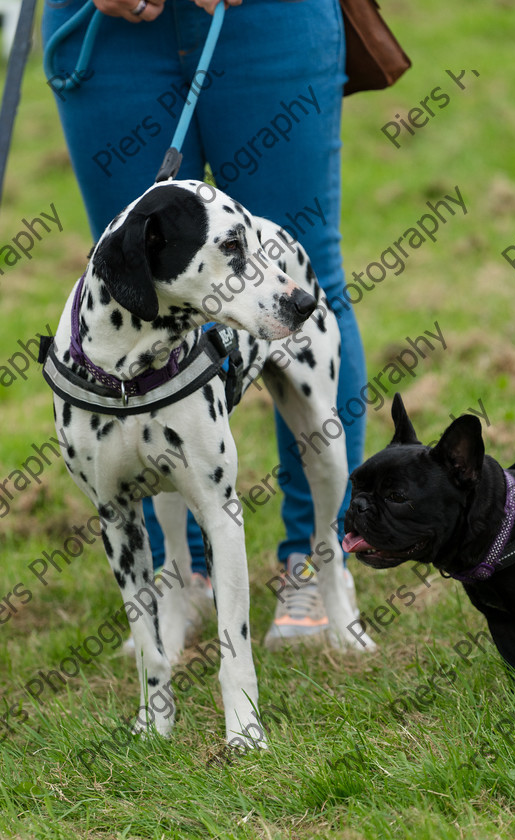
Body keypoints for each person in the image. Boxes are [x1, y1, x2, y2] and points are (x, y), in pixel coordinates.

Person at [42, 0, 368, 649]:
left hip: (268, 20)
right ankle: (183, 571)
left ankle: (317, 559)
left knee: (302, 278)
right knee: (136, 283)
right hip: (105, 29)